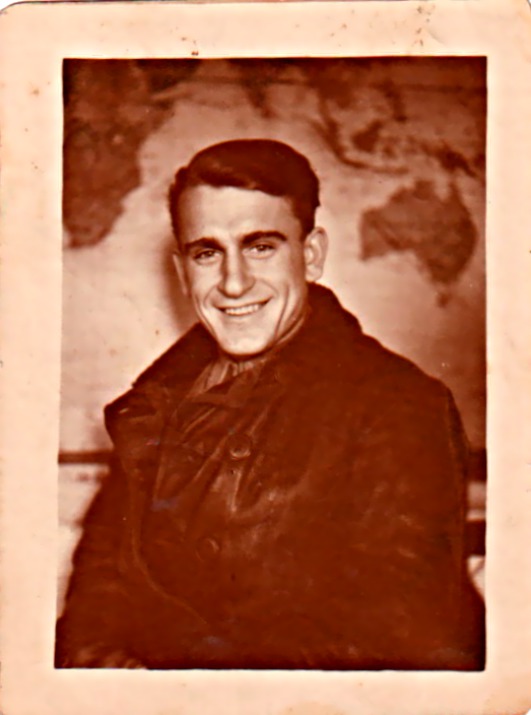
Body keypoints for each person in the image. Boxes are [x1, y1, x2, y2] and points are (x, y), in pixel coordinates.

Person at [56, 139, 484, 671]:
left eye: (260, 247)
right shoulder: (153, 406)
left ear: (311, 255)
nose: (233, 283)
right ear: (183, 271)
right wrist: (101, 669)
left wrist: (179, 688)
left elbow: (392, 632)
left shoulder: (402, 405)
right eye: (207, 253)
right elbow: (99, 581)